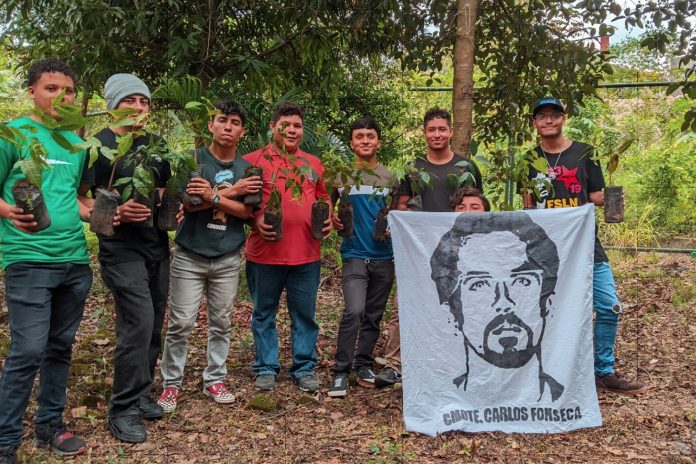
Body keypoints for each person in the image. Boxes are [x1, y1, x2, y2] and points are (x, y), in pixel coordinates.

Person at [521, 96, 646, 394]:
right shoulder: (530, 159)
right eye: (542, 116)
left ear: (563, 119)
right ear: (534, 123)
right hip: (547, 250)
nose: (548, 120)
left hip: (585, 244)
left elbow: (593, 195)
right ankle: (547, 369)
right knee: (546, 311)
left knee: (609, 306)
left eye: (554, 115)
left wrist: (612, 198)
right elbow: (528, 204)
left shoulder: (584, 153)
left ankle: (603, 370)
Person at [0, 59, 92, 463]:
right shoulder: (13, 135)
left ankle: (50, 426)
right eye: (51, 88)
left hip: (75, 259)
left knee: (60, 347)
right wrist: (7, 212)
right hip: (29, 259)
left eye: (67, 90)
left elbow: (73, 197)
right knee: (27, 349)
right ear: (33, 92)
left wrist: (109, 212)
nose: (61, 96)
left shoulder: (75, 143)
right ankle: (5, 438)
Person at [80, 74, 170, 443]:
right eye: (129, 100)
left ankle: (142, 390)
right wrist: (113, 214)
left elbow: (163, 190)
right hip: (120, 249)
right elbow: (83, 198)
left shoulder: (156, 145)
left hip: (156, 245)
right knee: (137, 322)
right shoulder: (96, 147)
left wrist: (170, 207)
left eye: (143, 101)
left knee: (152, 325)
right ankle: (122, 408)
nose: (137, 107)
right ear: (112, 104)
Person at [157, 100, 262, 412]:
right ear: (210, 126)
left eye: (234, 122)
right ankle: (171, 384)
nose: (227, 127)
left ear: (242, 131)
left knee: (221, 321)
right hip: (190, 253)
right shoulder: (194, 160)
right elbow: (188, 204)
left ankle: (214, 378)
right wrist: (232, 191)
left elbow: (247, 211)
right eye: (222, 120)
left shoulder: (247, 169)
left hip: (227, 254)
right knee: (180, 322)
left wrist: (214, 195)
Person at [375, 108, 484, 387]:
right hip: (420, 251)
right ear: (424, 133)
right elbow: (400, 207)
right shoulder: (415, 169)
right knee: (407, 303)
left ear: (450, 132)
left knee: (459, 305)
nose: (437, 134)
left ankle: (455, 359)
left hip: (460, 250)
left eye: (442, 129)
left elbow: (477, 206)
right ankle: (395, 362)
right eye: (431, 129)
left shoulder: (466, 168)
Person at [243, 102, 332, 393]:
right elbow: (242, 202)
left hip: (307, 254)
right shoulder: (253, 161)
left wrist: (328, 217)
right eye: (286, 125)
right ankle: (266, 366)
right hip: (265, 253)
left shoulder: (313, 163)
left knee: (305, 314)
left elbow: (323, 196)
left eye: (297, 126)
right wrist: (255, 219)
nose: (292, 130)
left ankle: (304, 366)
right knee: (263, 312)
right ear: (272, 127)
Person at [430, 212, 564, 402]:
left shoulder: (566, 400)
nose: (504, 304)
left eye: (522, 281)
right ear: (452, 314)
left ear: (548, 304)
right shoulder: (439, 402)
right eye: (479, 285)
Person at [327, 117, 395, 398]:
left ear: (378, 141)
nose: (365, 140)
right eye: (359, 136)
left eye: (370, 136)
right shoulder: (340, 175)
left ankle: (364, 364)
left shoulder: (390, 178)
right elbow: (326, 200)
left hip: (384, 256)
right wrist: (330, 212)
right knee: (353, 311)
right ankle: (341, 371)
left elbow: (399, 210)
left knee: (372, 315)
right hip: (354, 252)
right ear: (352, 143)